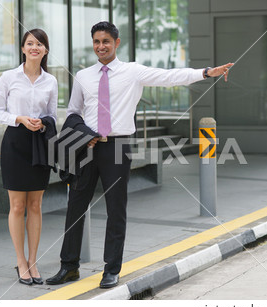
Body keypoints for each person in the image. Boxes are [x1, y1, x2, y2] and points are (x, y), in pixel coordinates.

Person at [46, 21, 233, 288]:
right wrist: (84, 133)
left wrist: (205, 72)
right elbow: (74, 111)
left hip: (117, 145)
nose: (101, 46)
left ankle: (111, 269)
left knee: (115, 208)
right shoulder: (84, 76)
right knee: (76, 206)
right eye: (97, 42)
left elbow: (169, 77)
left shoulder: (133, 71)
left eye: (106, 42)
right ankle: (69, 266)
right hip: (85, 147)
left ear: (116, 43)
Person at [0, 29, 58, 286]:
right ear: (23, 48)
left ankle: (33, 261)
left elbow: (53, 115)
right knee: (17, 206)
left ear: (45, 51)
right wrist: (18, 118)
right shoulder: (9, 77)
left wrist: (42, 123)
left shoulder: (50, 81)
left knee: (35, 206)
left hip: (39, 145)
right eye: (30, 43)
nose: (34, 47)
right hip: (15, 143)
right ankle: (20, 262)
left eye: (39, 44)